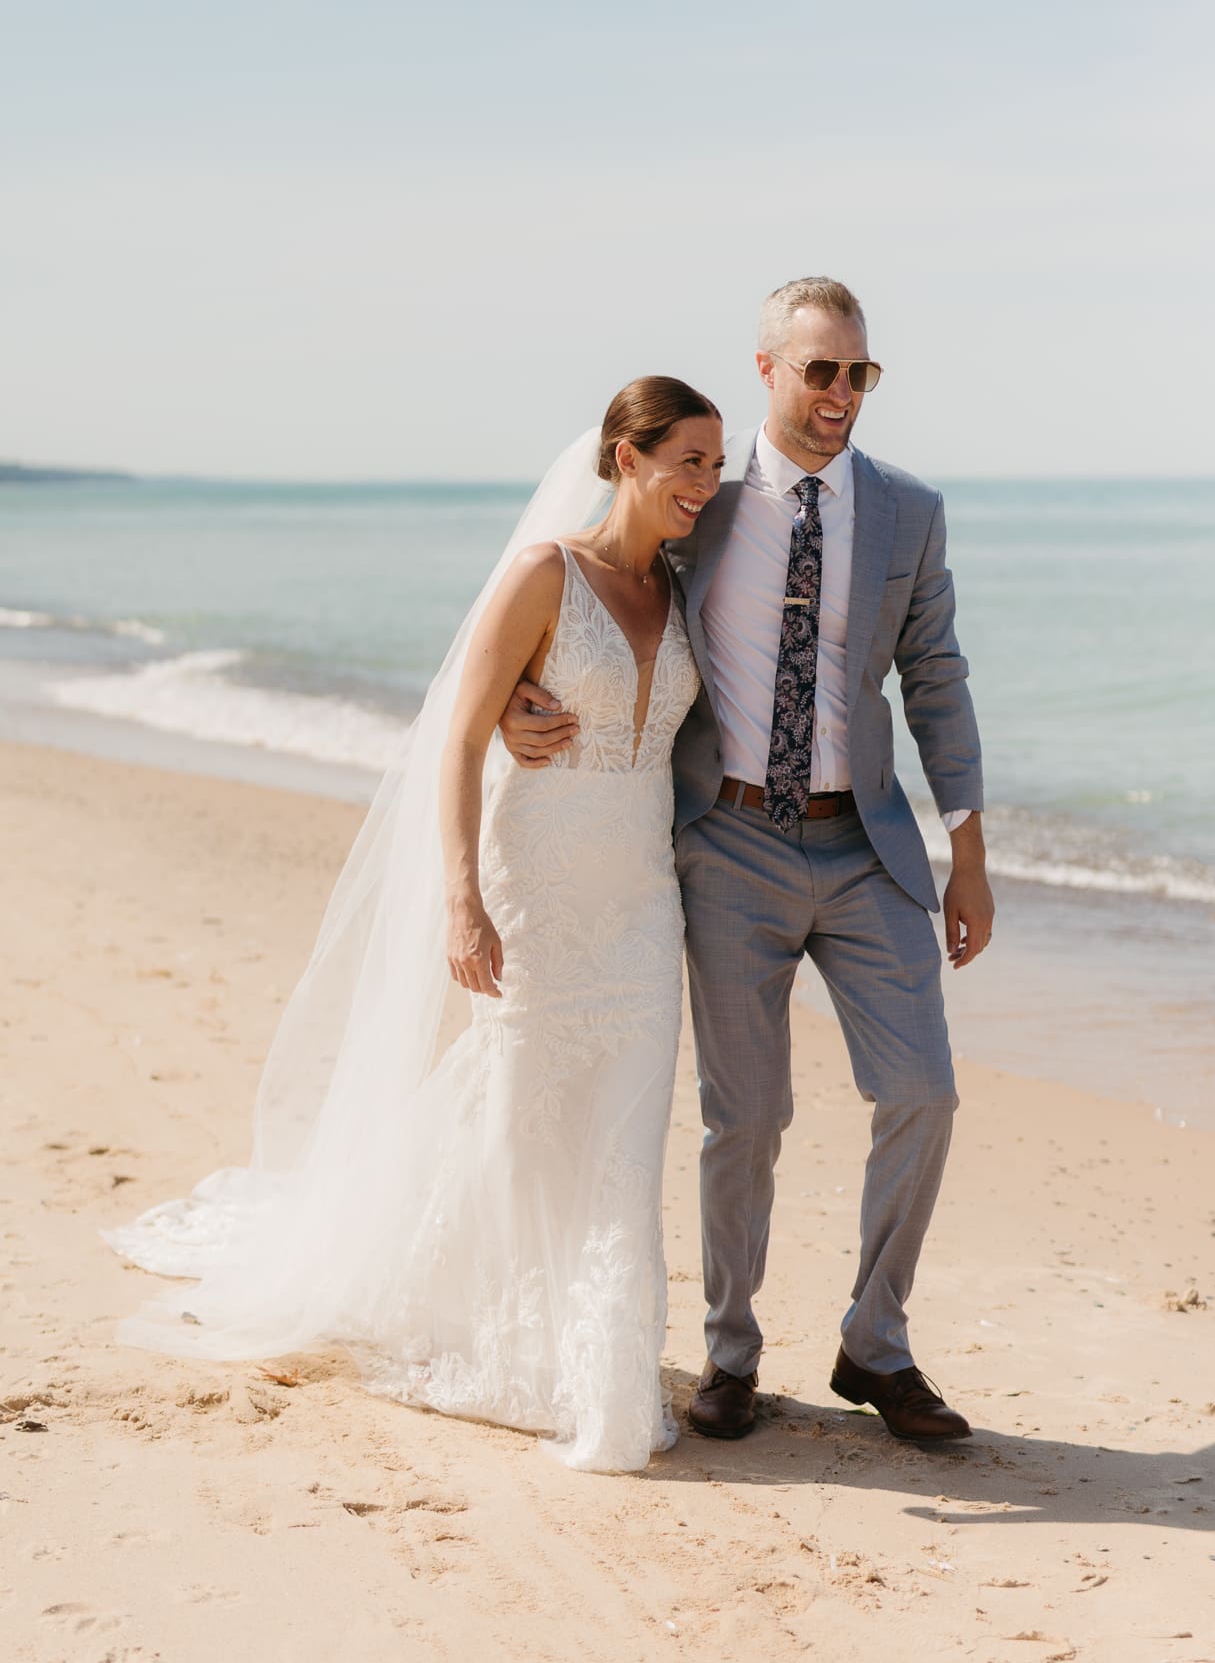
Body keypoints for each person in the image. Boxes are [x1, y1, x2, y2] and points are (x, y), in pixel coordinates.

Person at [103, 377, 726, 1475]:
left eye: (718, 467)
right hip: (534, 882)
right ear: (626, 458)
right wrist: (460, 895)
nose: (707, 486)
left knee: (625, 1139)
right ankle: (482, 1324)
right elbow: (456, 736)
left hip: (639, 900)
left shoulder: (682, 589)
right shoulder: (546, 574)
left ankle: (605, 1372)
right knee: (524, 1122)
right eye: (690, 461)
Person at [501, 278, 993, 1444]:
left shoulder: (910, 512)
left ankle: (877, 1344)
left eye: (858, 374)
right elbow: (594, 579)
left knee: (923, 1088)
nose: (839, 395)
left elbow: (937, 677)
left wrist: (967, 848)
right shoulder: (699, 502)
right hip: (727, 842)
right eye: (820, 370)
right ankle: (730, 1351)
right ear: (768, 366)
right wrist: (526, 691)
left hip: (865, 843)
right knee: (747, 1115)